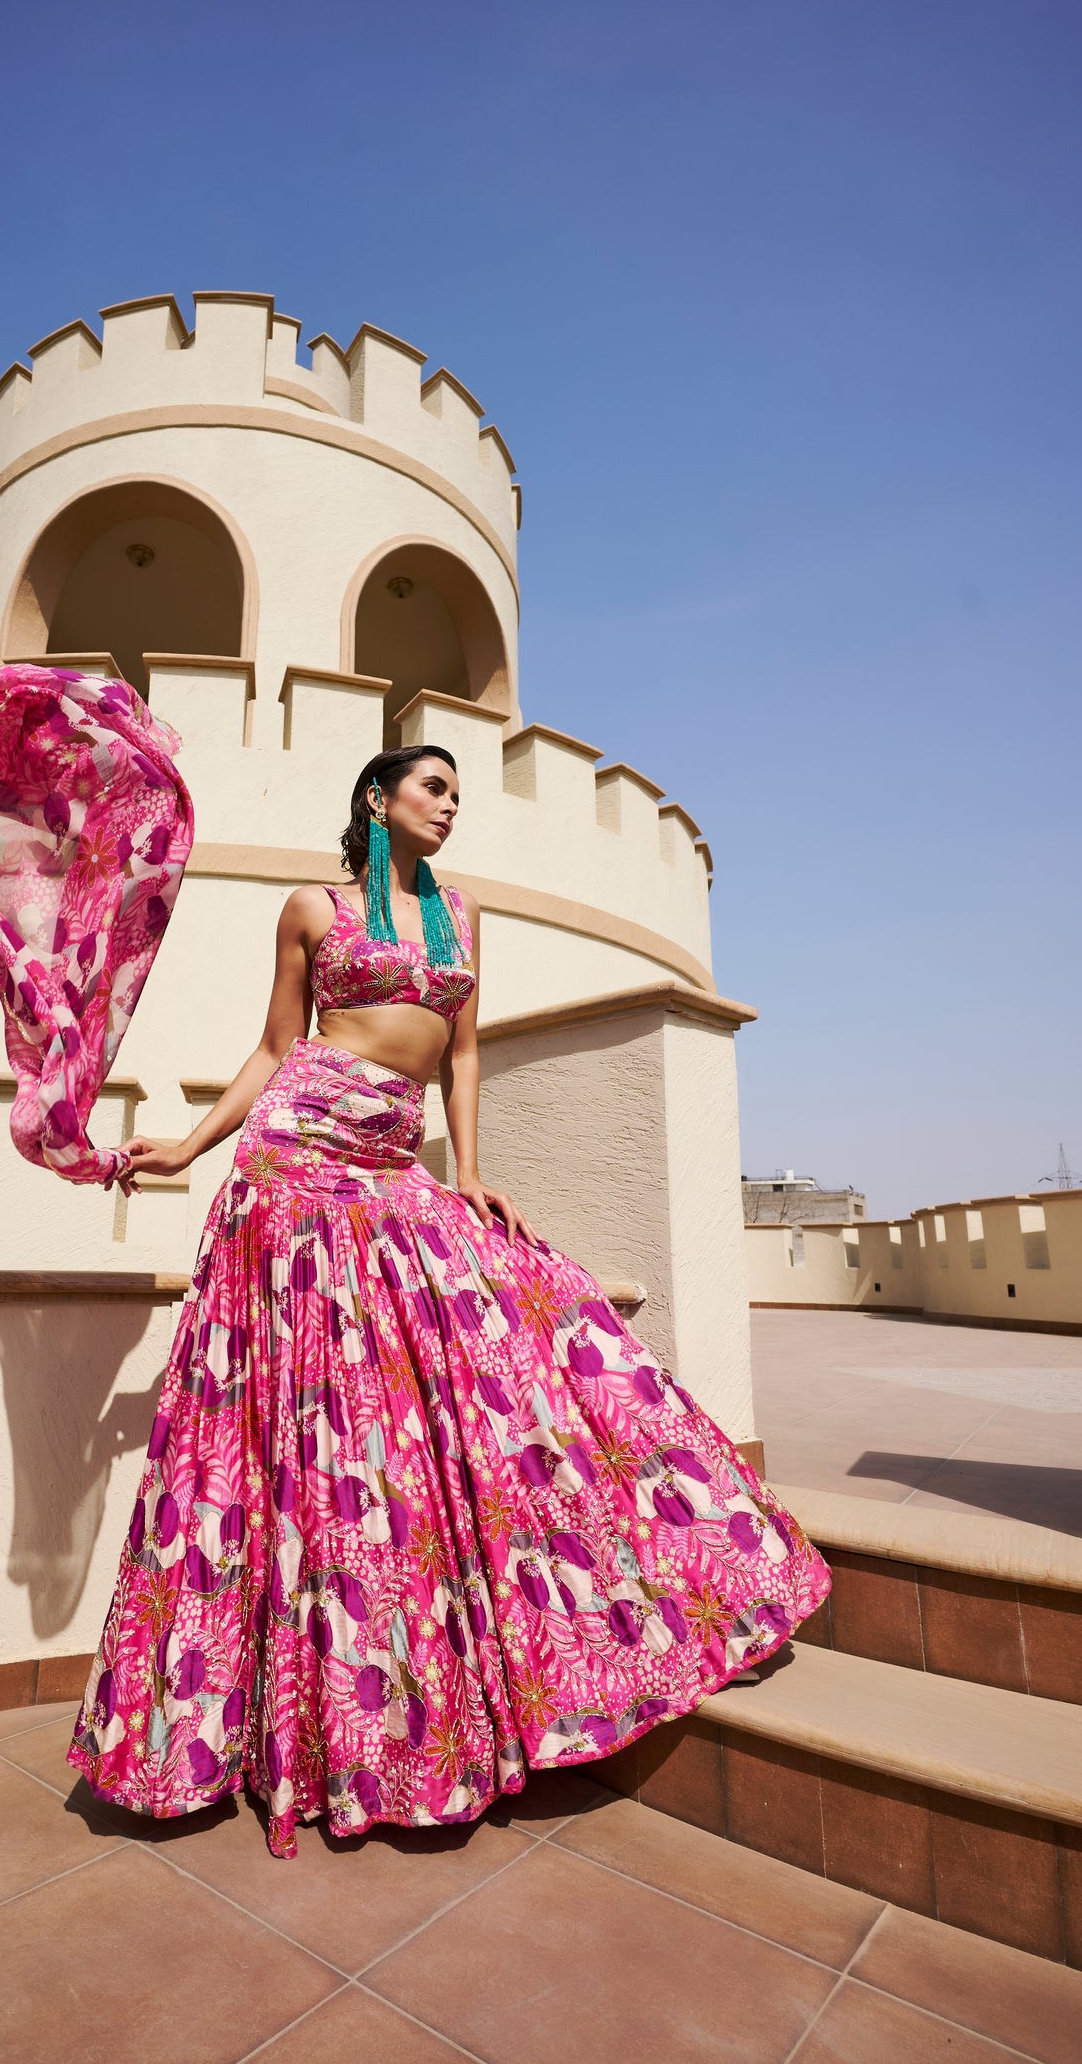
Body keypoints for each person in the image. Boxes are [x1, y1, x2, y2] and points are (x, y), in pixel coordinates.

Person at [69, 743, 830, 1858]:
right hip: (294, 1158)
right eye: (433, 789)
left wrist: (468, 1173)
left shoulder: (461, 917)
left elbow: (461, 1055)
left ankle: (652, 1580)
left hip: (391, 1161)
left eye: (459, 794)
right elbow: (277, 1046)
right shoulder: (314, 910)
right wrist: (188, 1145)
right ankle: (329, 1718)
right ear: (376, 799)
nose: (450, 807)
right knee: (321, 1414)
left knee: (531, 1329)